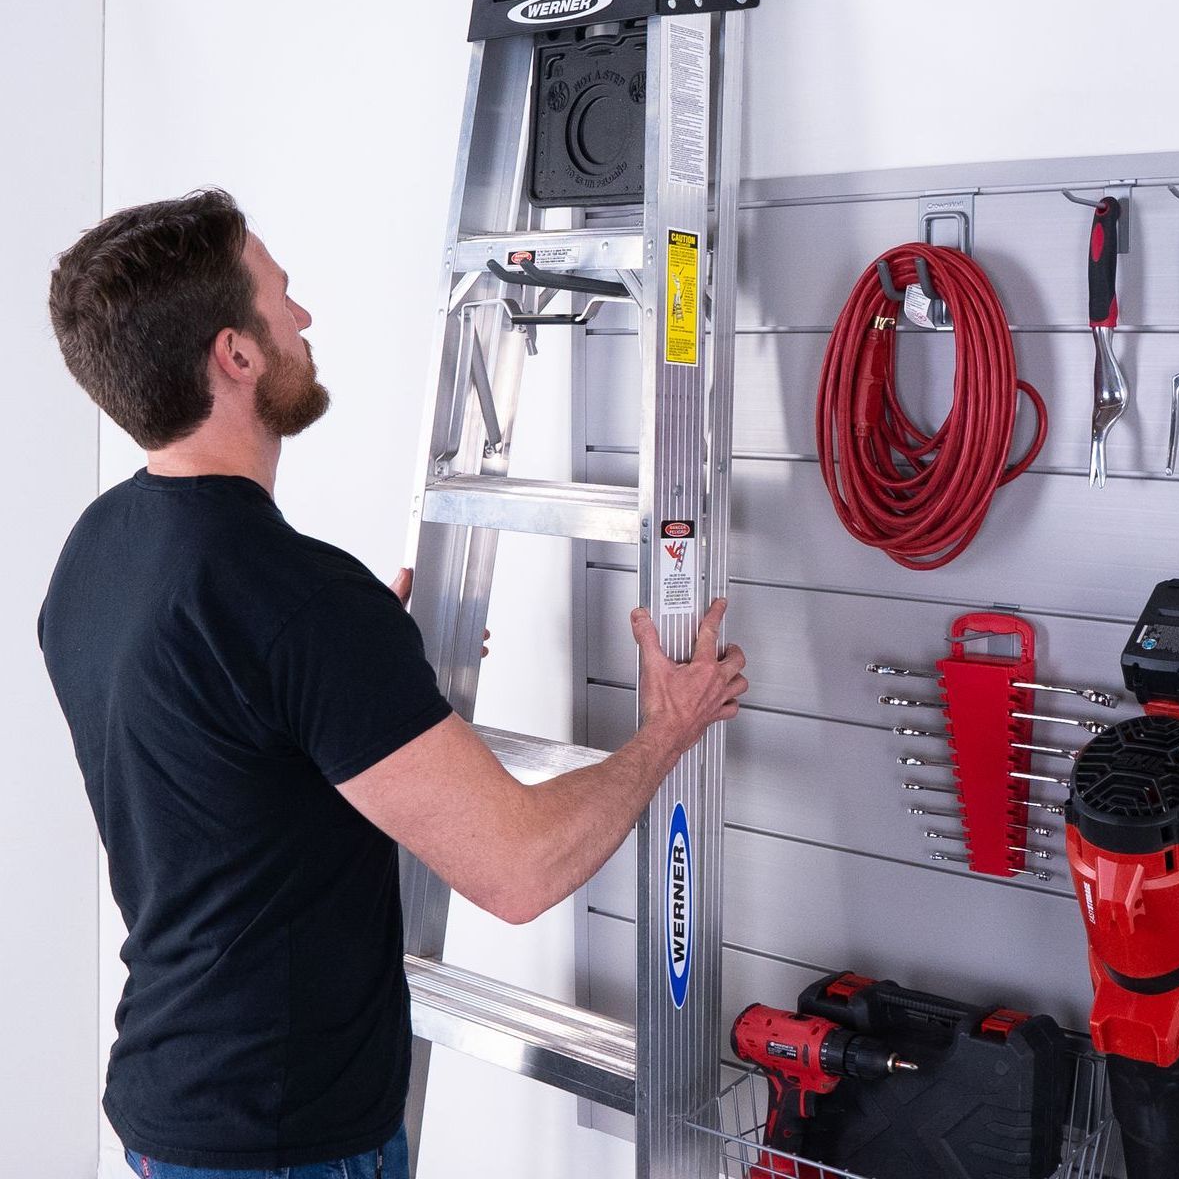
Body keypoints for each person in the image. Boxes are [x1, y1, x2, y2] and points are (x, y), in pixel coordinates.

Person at [39, 189, 747, 1179]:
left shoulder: (99, 552)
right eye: (282, 301)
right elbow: (519, 871)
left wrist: (355, 685)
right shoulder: (300, 603)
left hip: (173, 1102)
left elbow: (221, 763)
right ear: (236, 355)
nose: (304, 319)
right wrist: (665, 729)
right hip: (285, 1142)